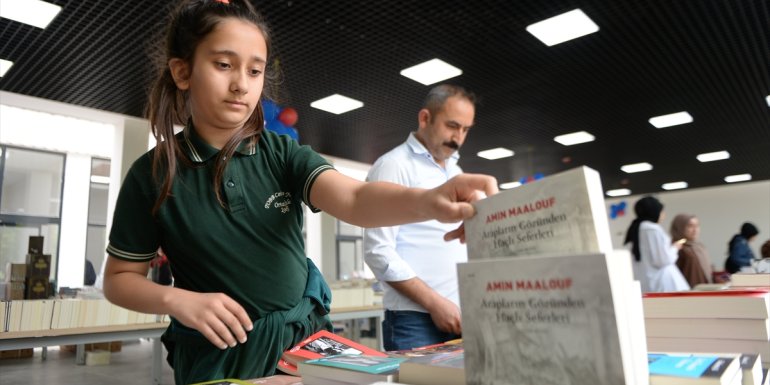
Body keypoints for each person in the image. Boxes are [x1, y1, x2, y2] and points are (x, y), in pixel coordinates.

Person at [100, 1, 497, 384]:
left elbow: (356, 199)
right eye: (224, 65)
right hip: (219, 355)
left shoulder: (282, 153)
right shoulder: (152, 175)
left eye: (255, 71)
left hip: (305, 348)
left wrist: (429, 200)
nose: (241, 84)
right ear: (183, 72)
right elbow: (119, 278)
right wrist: (177, 301)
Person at [363, 84, 476, 351]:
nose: (458, 138)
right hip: (414, 320)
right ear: (425, 118)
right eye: (452, 126)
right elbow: (378, 251)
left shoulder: (456, 171)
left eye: (466, 129)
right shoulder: (393, 166)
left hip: (461, 315)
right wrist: (436, 303)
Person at [624, 196, 689, 292]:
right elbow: (662, 260)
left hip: (646, 281)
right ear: (654, 211)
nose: (663, 215)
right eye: (662, 211)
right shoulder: (652, 229)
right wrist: (674, 248)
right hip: (662, 283)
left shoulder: (636, 228)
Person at [670, 214, 712, 286]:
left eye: (697, 226)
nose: (695, 230)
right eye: (690, 226)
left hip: (704, 290)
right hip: (686, 292)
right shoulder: (676, 248)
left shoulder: (699, 247)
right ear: (680, 228)